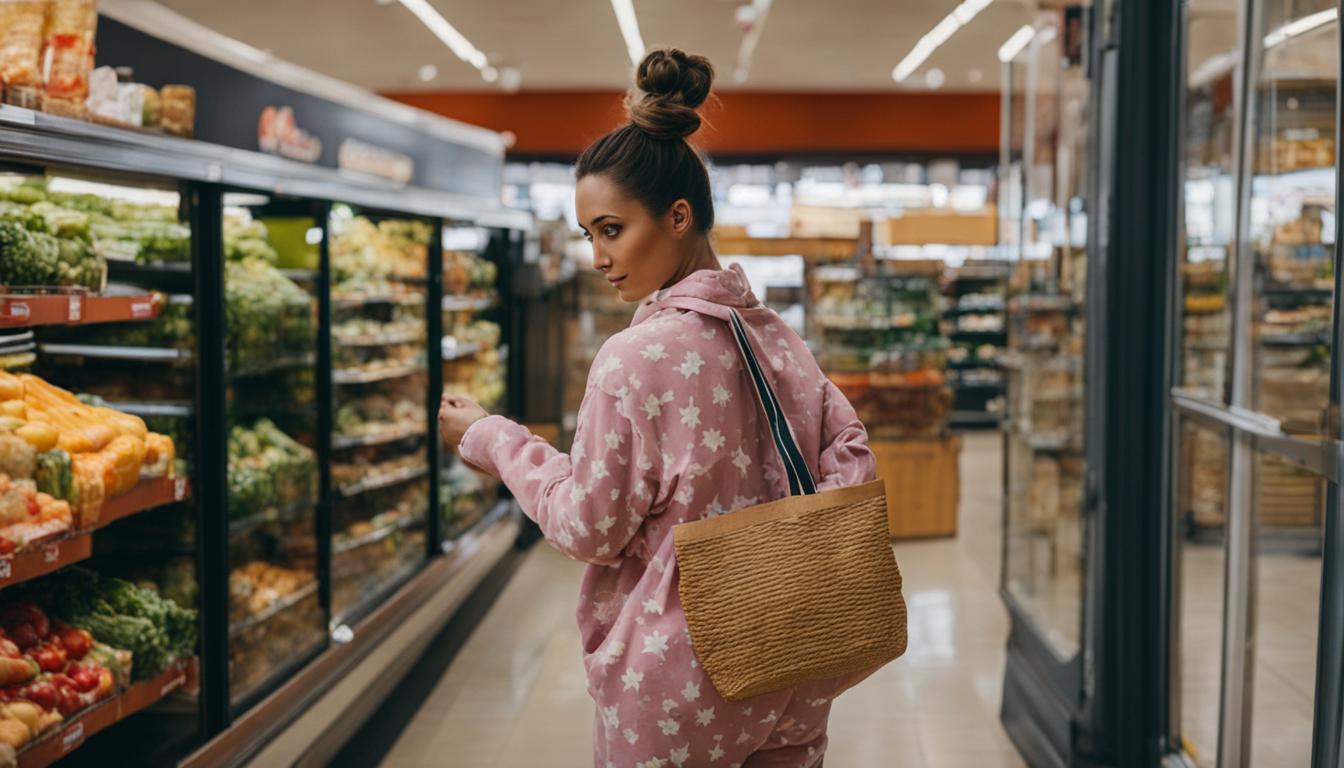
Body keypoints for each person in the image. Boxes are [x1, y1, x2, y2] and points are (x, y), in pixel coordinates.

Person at [438, 47, 875, 768]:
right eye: (588, 236)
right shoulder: (777, 342)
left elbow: (588, 526)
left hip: (677, 688)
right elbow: (850, 458)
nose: (598, 257)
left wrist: (490, 437)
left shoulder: (632, 361)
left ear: (677, 217)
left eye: (611, 229)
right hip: (794, 664)